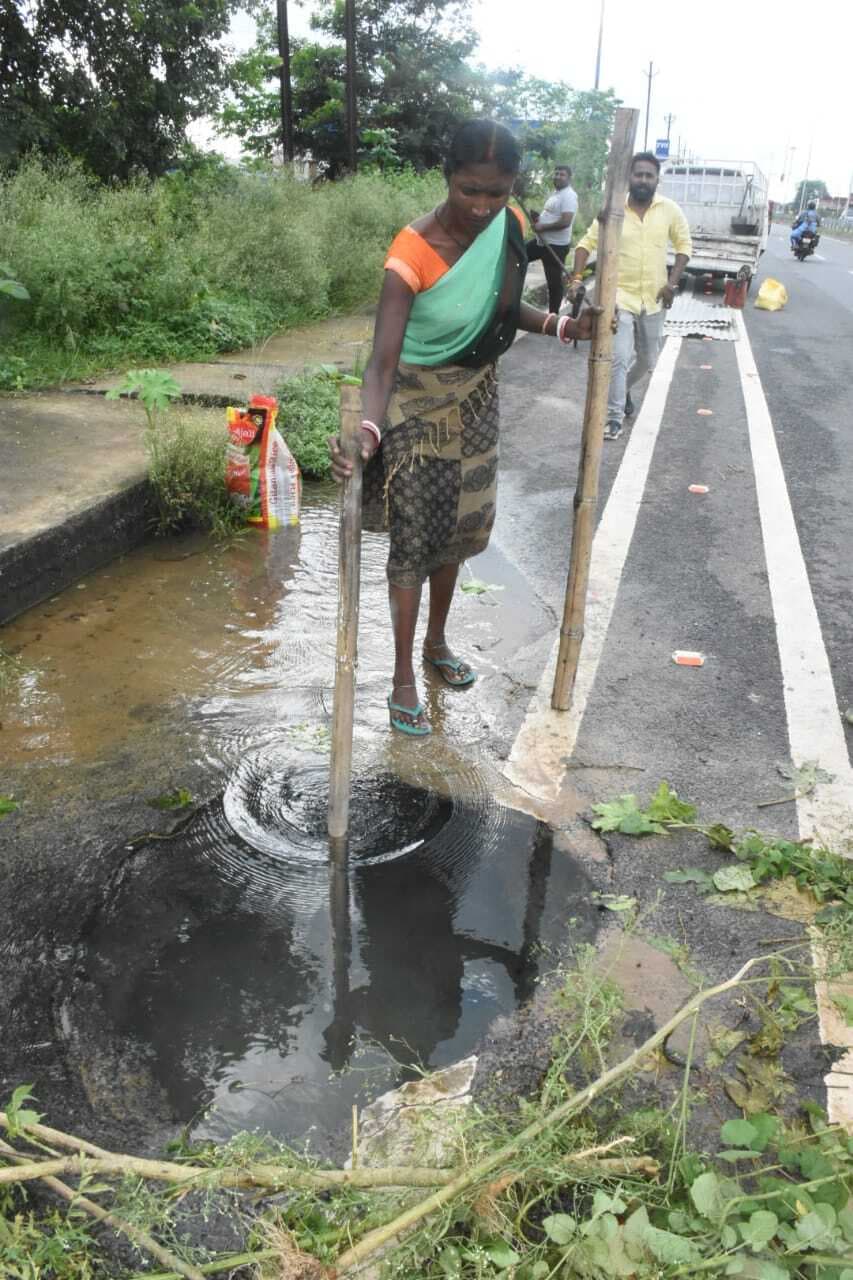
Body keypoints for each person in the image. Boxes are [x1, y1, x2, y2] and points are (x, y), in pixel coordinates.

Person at [328, 119, 597, 737]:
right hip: (413, 406)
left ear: (511, 188)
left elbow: (504, 309)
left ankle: (436, 644)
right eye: (470, 190)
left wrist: (561, 326)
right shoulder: (410, 253)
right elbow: (382, 363)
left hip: (476, 397)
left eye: (495, 192)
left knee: (460, 528)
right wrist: (367, 434)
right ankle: (401, 675)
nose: (481, 206)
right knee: (415, 539)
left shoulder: (511, 227)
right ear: (447, 177)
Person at [568, 151, 692, 441]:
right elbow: (585, 244)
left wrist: (672, 283)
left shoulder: (670, 210)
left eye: (649, 175)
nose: (643, 180)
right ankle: (613, 418)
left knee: (649, 360)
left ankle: (622, 393)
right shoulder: (614, 211)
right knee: (619, 358)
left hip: (654, 298)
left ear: (657, 180)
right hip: (619, 297)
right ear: (629, 177)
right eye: (639, 174)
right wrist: (576, 278)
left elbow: (684, 246)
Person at [525, 164, 579, 314]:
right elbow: (551, 214)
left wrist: (543, 227)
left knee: (554, 283)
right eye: (556, 174)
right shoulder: (556, 193)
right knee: (518, 256)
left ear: (569, 178)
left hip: (555, 246)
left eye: (561, 174)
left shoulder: (569, 196)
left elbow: (565, 222)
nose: (557, 177)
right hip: (541, 242)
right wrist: (538, 220)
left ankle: (553, 317)